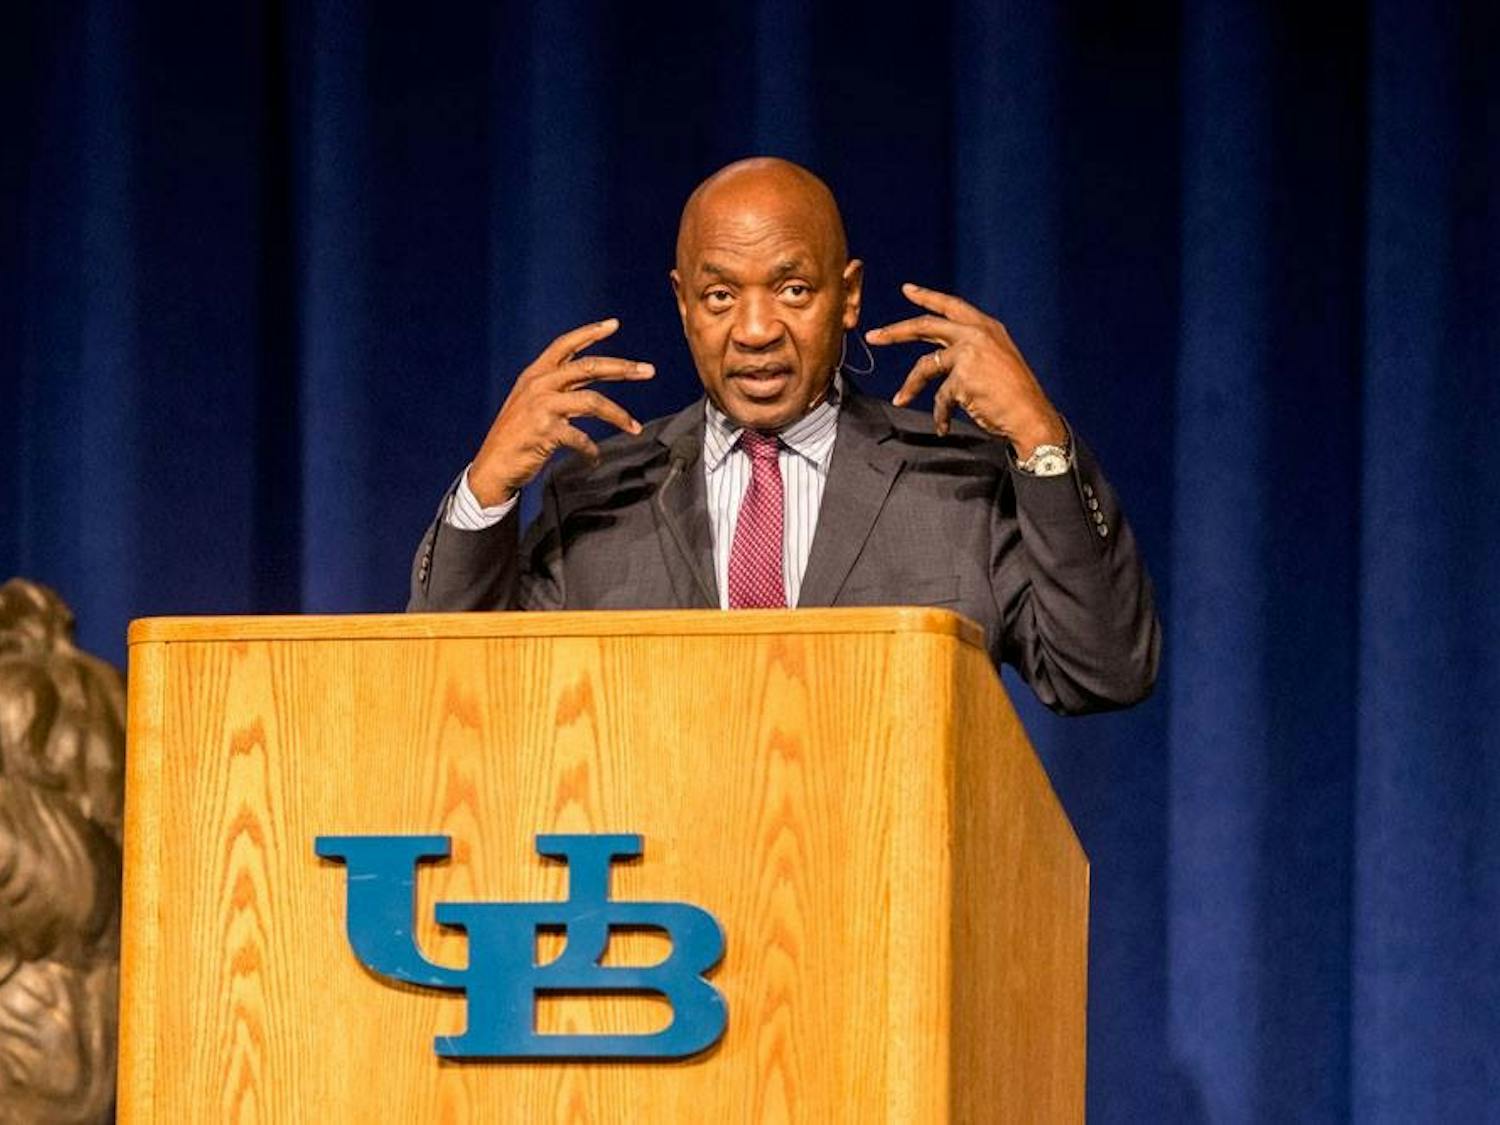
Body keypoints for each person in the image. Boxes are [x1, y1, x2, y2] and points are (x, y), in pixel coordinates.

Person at [409, 157, 1159, 714]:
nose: (757, 330)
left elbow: (1104, 670)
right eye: (720, 295)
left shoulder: (957, 487)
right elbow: (452, 697)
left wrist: (1039, 438)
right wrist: (485, 493)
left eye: (793, 288)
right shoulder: (601, 494)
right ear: (682, 305)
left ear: (850, 295)